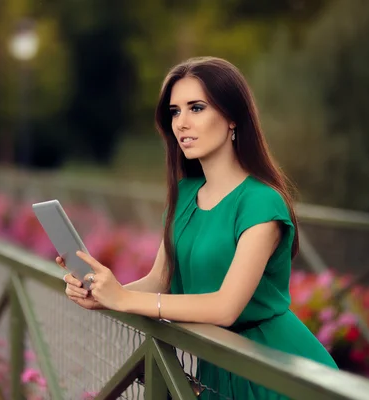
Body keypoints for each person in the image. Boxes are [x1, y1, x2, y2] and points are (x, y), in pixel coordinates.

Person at [57, 56, 339, 399]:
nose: (182, 123)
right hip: (217, 363)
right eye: (175, 112)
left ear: (233, 117)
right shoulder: (184, 195)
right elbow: (159, 280)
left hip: (275, 368)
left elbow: (225, 307)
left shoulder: (262, 204)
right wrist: (103, 294)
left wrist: (125, 299)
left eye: (197, 108)